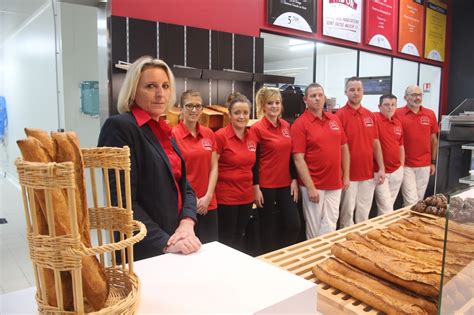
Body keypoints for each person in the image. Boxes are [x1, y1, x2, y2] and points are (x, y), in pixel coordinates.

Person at [98, 56, 201, 260]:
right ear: (133, 90)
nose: (160, 94)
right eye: (150, 86)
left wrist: (187, 222)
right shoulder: (119, 127)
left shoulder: (162, 129)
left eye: (165, 86)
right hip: (144, 247)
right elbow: (122, 201)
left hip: (178, 237)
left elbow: (184, 184)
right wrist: (165, 242)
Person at [291, 83, 350, 238]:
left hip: (335, 183)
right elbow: (298, 159)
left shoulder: (334, 119)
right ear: (305, 99)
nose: (317, 98)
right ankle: (313, 260)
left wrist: (346, 176)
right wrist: (310, 186)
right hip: (314, 184)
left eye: (320, 95)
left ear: (324, 97)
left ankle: (325, 257)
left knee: (331, 222)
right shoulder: (300, 124)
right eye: (313, 96)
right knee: (314, 228)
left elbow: (344, 147)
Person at [250, 87, 301, 253]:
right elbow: (254, 161)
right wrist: (255, 187)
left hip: (285, 183)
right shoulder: (257, 128)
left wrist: (294, 179)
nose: (274, 106)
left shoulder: (286, 126)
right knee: (268, 228)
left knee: (294, 224)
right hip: (266, 185)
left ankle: (284, 254)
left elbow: (292, 156)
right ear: (263, 106)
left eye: (277, 103)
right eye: (270, 103)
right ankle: (269, 260)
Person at [336, 77, 385, 227]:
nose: (355, 93)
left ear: (363, 92)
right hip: (348, 176)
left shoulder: (370, 115)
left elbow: (376, 142)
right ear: (346, 92)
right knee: (347, 215)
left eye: (358, 89)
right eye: (352, 90)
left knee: (363, 214)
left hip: (368, 174)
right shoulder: (339, 116)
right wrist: (343, 174)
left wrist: (381, 167)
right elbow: (337, 147)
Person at [172, 90, 219, 243]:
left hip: (208, 203)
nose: (194, 110)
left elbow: (214, 167)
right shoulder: (172, 135)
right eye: (189, 106)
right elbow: (173, 173)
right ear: (180, 108)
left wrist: (208, 196)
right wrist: (194, 199)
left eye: (198, 106)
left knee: (210, 248)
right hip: (185, 205)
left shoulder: (209, 134)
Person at [215, 93, 256, 252]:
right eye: (237, 113)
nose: (242, 116)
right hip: (226, 198)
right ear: (229, 115)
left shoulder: (252, 136)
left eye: (245, 113)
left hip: (246, 197)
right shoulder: (220, 136)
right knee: (226, 240)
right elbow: (212, 168)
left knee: (239, 237)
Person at [395, 85, 439, 206]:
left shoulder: (429, 114)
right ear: (405, 97)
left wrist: (433, 162)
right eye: (414, 95)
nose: (417, 98)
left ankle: (411, 223)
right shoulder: (397, 113)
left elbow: (433, 140)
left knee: (419, 200)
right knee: (411, 201)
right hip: (405, 165)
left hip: (424, 164)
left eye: (420, 95)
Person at [374, 94, 405, 215]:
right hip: (381, 172)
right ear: (379, 106)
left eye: (393, 105)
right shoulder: (375, 119)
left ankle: (381, 231)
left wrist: (401, 167)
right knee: (386, 208)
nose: (390, 108)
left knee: (388, 207)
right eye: (386, 105)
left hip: (397, 171)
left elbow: (401, 146)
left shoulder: (398, 123)